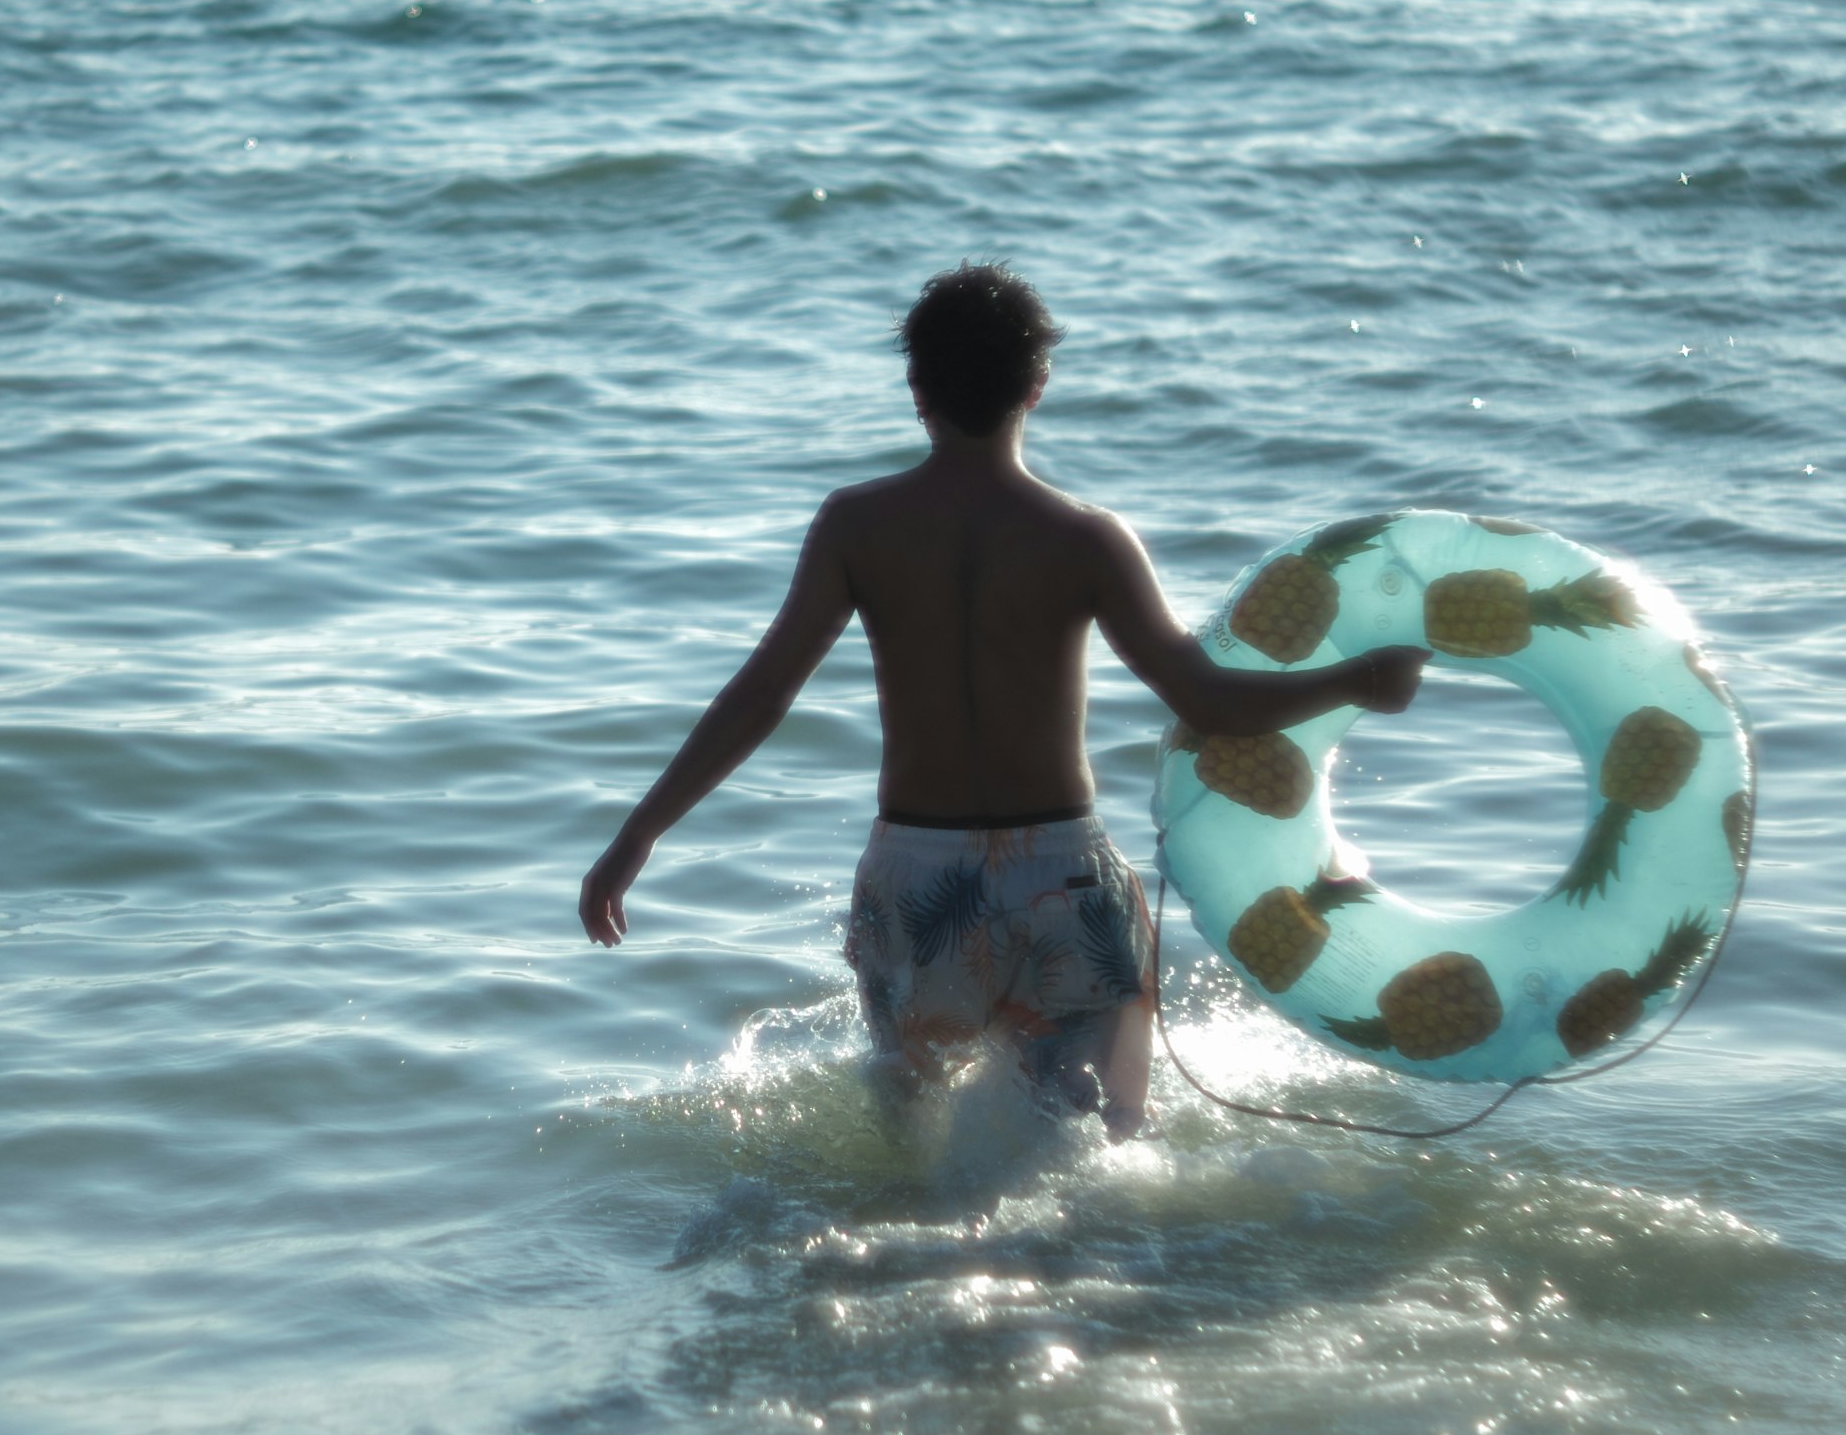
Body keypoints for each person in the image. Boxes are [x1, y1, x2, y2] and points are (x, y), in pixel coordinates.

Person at [579, 264, 1424, 1139]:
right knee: (1082, 1151)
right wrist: (1355, 681)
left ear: (917, 391)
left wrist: (641, 831)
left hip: (916, 879)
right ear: (1038, 386)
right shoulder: (1086, 537)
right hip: (1057, 877)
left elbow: (761, 695)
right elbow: (1202, 696)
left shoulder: (856, 526)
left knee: (913, 1141)